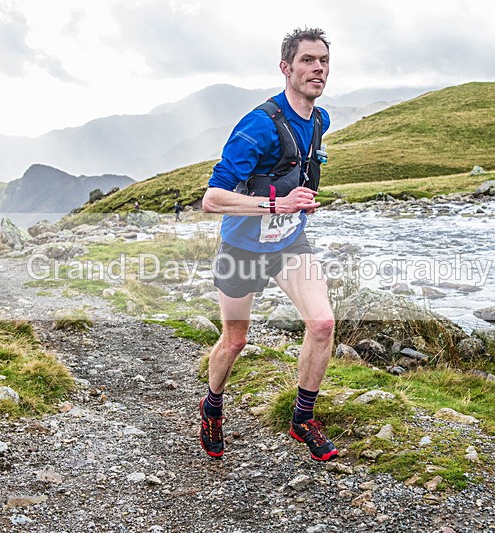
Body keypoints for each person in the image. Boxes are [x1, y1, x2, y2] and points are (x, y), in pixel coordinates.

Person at [199, 28, 337, 461]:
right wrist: (276, 204)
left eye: (324, 61)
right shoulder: (259, 125)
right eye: (308, 60)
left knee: (322, 324)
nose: (318, 68)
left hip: (288, 246)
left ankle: (302, 418)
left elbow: (294, 173)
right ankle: (213, 405)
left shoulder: (319, 120)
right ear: (286, 68)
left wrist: (301, 203)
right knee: (235, 340)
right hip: (241, 252)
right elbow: (212, 199)